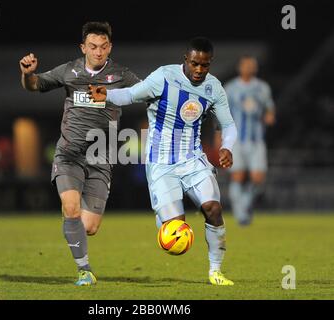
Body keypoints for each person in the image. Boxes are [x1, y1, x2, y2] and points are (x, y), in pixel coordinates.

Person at [89, 37, 237, 286]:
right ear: (185, 60)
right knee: (175, 232)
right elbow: (131, 95)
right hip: (161, 164)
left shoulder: (214, 87)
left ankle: (216, 271)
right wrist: (104, 94)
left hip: (193, 160)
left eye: (205, 65)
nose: (199, 70)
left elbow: (229, 124)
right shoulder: (164, 77)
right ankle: (165, 216)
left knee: (213, 208)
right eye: (195, 64)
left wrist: (227, 147)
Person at [19, 21, 140, 286]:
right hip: (69, 155)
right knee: (72, 209)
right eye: (93, 47)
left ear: (110, 47)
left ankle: (71, 220)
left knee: (89, 228)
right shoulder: (69, 71)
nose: (98, 52)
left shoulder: (122, 75)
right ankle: (84, 270)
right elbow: (34, 85)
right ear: (83, 47)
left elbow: (148, 93)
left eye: (103, 47)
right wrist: (28, 74)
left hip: (101, 158)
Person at [224, 55, 275, 226]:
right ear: (240, 67)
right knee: (237, 176)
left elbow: (269, 108)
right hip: (236, 139)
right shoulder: (230, 88)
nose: (249, 68)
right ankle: (241, 213)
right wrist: (220, 138)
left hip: (256, 139)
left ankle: (244, 203)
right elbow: (221, 115)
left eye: (252, 66)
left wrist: (269, 116)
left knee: (258, 178)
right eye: (246, 65)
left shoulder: (262, 87)